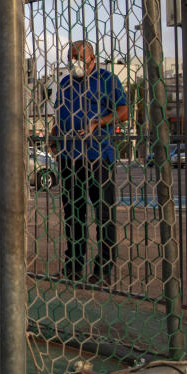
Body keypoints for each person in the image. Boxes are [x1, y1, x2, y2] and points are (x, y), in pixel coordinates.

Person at [49, 41, 128, 286]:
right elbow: (60, 114)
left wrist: (100, 122)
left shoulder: (108, 80)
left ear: (91, 57)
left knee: (103, 214)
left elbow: (124, 111)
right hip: (69, 157)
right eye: (71, 58)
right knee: (73, 214)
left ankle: (103, 270)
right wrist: (54, 136)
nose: (74, 62)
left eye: (78, 57)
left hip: (97, 157)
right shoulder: (65, 84)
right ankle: (73, 267)